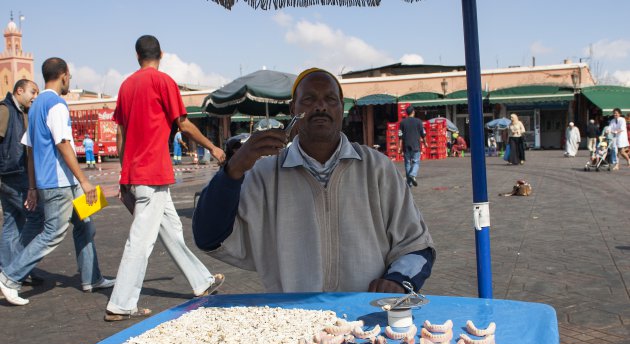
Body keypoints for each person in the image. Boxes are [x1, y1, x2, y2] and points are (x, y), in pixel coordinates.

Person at [193, 68, 435, 294]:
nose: (321, 106)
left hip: (365, 319)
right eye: (308, 99)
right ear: (292, 109)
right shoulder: (264, 175)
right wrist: (233, 170)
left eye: (331, 99)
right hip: (294, 322)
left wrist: (397, 279)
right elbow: (209, 238)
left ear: (342, 108)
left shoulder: (377, 168)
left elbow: (416, 243)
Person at [104, 35, 226, 321]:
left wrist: (125, 176)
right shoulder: (163, 82)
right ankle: (120, 304)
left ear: (137, 56)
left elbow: (120, 133)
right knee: (141, 241)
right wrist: (212, 147)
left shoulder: (126, 86)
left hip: (138, 173)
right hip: (153, 173)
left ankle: (201, 281)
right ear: (161, 53)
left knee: (171, 230)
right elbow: (182, 124)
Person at [0, 58, 114, 306]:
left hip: (59, 182)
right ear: (64, 75)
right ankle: (9, 277)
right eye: (69, 77)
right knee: (52, 233)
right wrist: (85, 181)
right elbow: (63, 144)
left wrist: (32, 186)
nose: (69, 81)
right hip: (61, 183)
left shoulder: (36, 105)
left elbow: (30, 152)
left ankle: (91, 278)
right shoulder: (57, 104)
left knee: (86, 223)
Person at [0, 79, 45, 280]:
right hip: (12, 174)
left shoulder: (20, 111)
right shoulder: (5, 110)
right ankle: (17, 269)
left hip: (11, 173)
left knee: (12, 222)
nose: (35, 97)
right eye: (32, 92)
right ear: (19, 91)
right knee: (36, 217)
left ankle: (8, 268)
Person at [398, 105, 427, 187]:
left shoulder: (402, 122)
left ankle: (409, 183)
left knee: (407, 163)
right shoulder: (418, 121)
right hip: (416, 146)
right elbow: (423, 134)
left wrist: (399, 147)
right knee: (416, 162)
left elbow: (400, 136)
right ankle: (413, 175)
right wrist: (425, 143)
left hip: (406, 146)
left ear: (407, 113)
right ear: (413, 112)